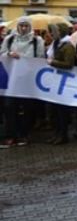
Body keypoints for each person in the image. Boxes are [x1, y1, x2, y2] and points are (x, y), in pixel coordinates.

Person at [0, 17, 45, 148]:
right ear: (18, 26)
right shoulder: (10, 39)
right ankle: (10, 135)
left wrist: (25, 60)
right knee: (9, 107)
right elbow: (2, 54)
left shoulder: (37, 41)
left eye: (26, 26)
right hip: (11, 80)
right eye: (21, 26)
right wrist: (9, 54)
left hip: (28, 80)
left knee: (26, 108)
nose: (24, 28)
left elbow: (40, 58)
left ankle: (23, 135)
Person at [46, 23, 76, 145]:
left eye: (56, 31)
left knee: (62, 112)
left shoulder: (68, 46)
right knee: (54, 112)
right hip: (55, 82)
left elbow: (69, 64)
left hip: (63, 83)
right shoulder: (55, 44)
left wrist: (53, 62)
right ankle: (56, 133)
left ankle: (63, 135)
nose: (53, 33)